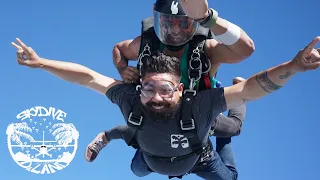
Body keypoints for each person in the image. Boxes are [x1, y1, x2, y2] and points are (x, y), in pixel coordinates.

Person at [12, 36, 320, 179]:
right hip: (151, 158)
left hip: (199, 157)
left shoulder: (199, 105)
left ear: (181, 89)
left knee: (232, 148)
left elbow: (251, 87)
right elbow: (87, 77)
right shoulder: (130, 99)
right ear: (139, 87)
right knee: (136, 170)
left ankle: (224, 135)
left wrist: (293, 66)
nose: (156, 97)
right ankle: (115, 136)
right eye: (148, 88)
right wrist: (41, 64)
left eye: (166, 89)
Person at [112, 0, 254, 142]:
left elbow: (245, 49)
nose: (175, 31)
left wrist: (208, 18)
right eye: (168, 23)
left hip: (198, 109)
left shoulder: (206, 49)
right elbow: (118, 49)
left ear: (194, 22)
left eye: (183, 24)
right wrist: (122, 69)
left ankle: (237, 90)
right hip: (161, 107)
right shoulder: (146, 44)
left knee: (233, 129)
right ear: (158, 20)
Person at [85, 76, 246, 163]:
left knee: (233, 129)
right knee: (138, 168)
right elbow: (118, 132)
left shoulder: (142, 127)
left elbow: (120, 132)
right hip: (163, 151)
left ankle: (234, 99)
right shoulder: (145, 127)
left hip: (197, 120)